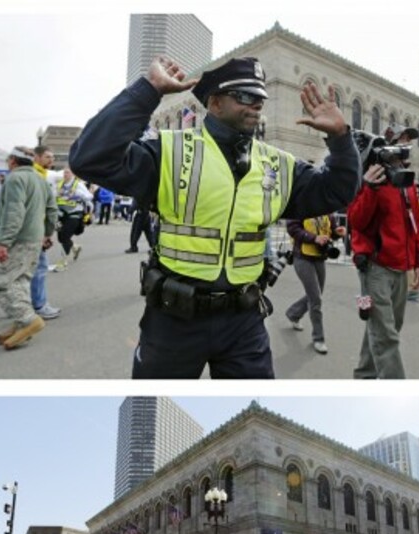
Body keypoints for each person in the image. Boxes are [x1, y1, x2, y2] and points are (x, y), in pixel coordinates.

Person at [69, 54, 360, 379]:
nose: (256, 105)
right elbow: (88, 158)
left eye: (260, 98)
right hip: (173, 322)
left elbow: (337, 191)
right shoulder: (169, 151)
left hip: (245, 322)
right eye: (244, 96)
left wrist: (340, 139)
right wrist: (148, 91)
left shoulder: (279, 165)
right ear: (215, 102)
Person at [347, 124, 419, 379]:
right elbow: (356, 221)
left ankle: (364, 375)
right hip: (374, 268)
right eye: (402, 140)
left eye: (408, 141)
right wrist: (369, 188)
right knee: (386, 335)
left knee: (387, 328)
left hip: (402, 267)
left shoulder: (406, 180)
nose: (406, 146)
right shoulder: (367, 177)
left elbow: (416, 223)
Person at [0, 145, 58, 350]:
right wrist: (47, 233)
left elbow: (14, 213)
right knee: (21, 281)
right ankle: (20, 325)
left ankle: (28, 320)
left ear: (12, 161)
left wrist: (3, 242)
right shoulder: (39, 179)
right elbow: (52, 210)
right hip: (34, 239)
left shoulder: (15, 179)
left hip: (18, 240)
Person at [284, 214, 345, 354]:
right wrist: (314, 238)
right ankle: (319, 338)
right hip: (302, 258)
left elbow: (332, 230)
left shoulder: (327, 210)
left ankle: (293, 313)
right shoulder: (301, 206)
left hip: (319, 257)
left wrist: (337, 232)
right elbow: (292, 228)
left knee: (316, 294)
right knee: (315, 298)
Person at [30, 146, 63, 318]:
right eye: (47, 157)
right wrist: (46, 233)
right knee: (39, 268)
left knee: (28, 269)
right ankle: (39, 305)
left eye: (52, 157)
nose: (51, 160)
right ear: (36, 157)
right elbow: (46, 207)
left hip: (34, 229)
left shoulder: (42, 175)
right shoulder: (36, 176)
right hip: (35, 230)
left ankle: (23, 305)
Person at [55, 167, 93, 267]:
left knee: (65, 236)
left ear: (73, 174)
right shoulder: (59, 184)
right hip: (61, 215)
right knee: (60, 238)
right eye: (64, 173)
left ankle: (64, 260)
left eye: (67, 173)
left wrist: (78, 194)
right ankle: (75, 248)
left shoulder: (78, 185)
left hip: (74, 214)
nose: (65, 174)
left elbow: (89, 196)